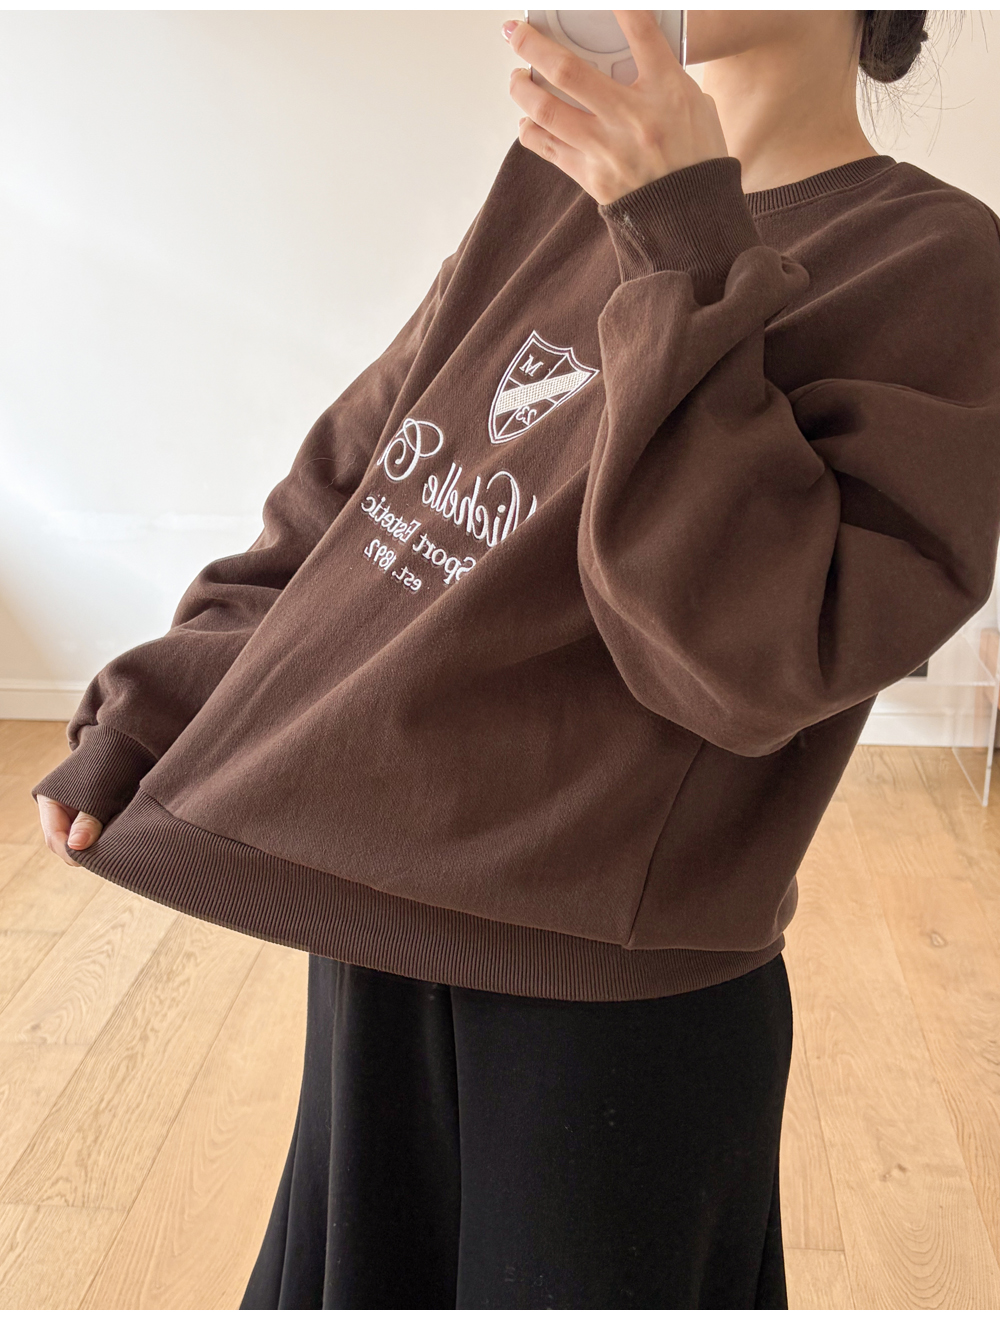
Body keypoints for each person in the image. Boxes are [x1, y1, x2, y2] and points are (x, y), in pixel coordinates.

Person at [32, 8, 1000, 1309]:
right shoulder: (557, 184)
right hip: (379, 908)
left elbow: (757, 655)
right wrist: (165, 702)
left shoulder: (939, 263)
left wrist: (685, 240)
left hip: (613, 1008)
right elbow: (366, 491)